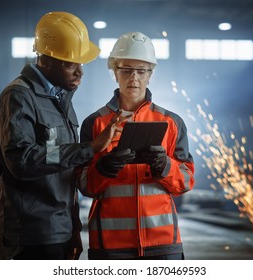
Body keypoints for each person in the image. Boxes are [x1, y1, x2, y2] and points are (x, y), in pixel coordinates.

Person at [0, 11, 128, 260]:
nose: (79, 72)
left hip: (59, 230)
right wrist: (89, 148)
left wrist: (74, 228)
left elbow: (61, 170)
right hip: (32, 234)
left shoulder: (59, 99)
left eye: (81, 63)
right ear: (46, 59)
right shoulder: (19, 97)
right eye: (69, 64)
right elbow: (22, 161)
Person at [75, 32, 195, 260]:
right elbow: (83, 185)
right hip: (110, 245)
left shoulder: (171, 123)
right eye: (126, 70)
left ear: (151, 74)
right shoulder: (96, 123)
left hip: (162, 243)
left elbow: (186, 180)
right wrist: (104, 168)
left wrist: (164, 166)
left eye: (142, 71)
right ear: (115, 73)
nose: (134, 78)